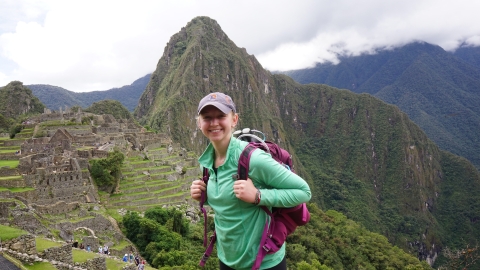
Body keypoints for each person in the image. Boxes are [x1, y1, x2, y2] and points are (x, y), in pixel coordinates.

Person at [190, 92, 311, 270]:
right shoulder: (207, 162)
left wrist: (257, 196)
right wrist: (204, 196)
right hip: (227, 259)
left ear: (234, 119)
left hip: (264, 261)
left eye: (221, 116)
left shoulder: (253, 159)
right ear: (199, 123)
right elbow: (228, 202)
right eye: (207, 118)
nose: (214, 123)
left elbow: (304, 191)